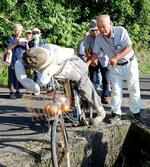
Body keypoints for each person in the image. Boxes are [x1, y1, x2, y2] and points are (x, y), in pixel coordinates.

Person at [15, 44, 106, 126]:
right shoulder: (28, 55)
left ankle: (100, 111)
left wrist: (45, 77)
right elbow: (21, 70)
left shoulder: (57, 54)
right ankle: (69, 108)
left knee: (84, 87)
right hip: (58, 75)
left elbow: (51, 71)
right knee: (58, 90)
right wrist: (33, 86)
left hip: (74, 66)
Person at [89, 14, 141, 122]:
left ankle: (136, 113)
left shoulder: (121, 31)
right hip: (115, 66)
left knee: (134, 88)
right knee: (116, 91)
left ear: (110, 24)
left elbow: (128, 47)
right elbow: (95, 53)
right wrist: (90, 61)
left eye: (103, 26)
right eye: (99, 27)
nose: (101, 29)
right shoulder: (98, 38)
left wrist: (116, 57)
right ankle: (116, 113)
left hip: (129, 64)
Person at [84, 19, 110, 104]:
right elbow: (86, 50)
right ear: (90, 31)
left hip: (103, 58)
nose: (94, 32)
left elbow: (109, 48)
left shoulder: (103, 36)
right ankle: (93, 97)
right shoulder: (88, 38)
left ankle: (104, 96)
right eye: (92, 31)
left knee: (105, 78)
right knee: (93, 79)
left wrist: (110, 58)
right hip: (92, 58)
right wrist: (90, 59)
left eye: (96, 30)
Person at [6, 23, 25, 99]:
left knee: (19, 76)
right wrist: (15, 43)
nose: (18, 32)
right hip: (12, 59)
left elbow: (27, 49)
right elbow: (8, 47)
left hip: (21, 60)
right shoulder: (11, 38)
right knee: (12, 76)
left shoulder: (23, 39)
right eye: (17, 30)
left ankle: (17, 91)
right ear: (14, 30)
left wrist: (27, 43)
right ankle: (11, 92)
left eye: (20, 30)